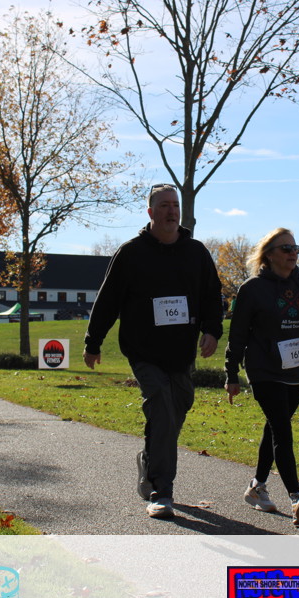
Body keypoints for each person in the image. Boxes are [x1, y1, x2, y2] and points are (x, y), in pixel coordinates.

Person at [83, 183, 223, 520]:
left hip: (181, 351)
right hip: (142, 349)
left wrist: (212, 330)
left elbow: (211, 294)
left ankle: (149, 460)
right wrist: (93, 342)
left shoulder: (196, 252)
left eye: (175, 205)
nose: (171, 211)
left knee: (178, 407)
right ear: (150, 212)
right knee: (160, 404)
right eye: (163, 205)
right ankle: (162, 492)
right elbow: (108, 300)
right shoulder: (131, 253)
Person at [224, 228, 299, 526]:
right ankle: (296, 498)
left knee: (276, 427)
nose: (293, 253)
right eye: (286, 248)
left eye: (295, 248)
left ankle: (256, 487)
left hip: (297, 369)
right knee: (281, 428)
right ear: (269, 254)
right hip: (264, 370)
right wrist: (231, 373)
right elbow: (238, 334)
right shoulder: (252, 289)